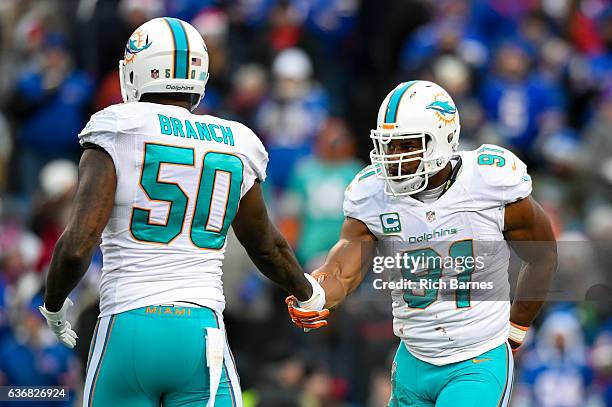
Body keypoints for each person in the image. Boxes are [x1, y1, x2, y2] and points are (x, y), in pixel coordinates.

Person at [37, 17, 327, 407]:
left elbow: (77, 244)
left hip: (128, 326)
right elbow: (267, 246)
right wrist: (307, 294)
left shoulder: (118, 126)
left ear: (138, 70)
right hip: (200, 333)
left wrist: (54, 305)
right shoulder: (236, 141)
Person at [286, 80, 557, 406]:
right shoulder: (372, 193)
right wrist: (316, 292)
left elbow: (543, 254)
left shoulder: (488, 181)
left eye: (407, 145)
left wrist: (518, 326)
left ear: (443, 140)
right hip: (412, 358)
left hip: (475, 360)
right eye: (388, 145)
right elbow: (343, 269)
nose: (394, 157)